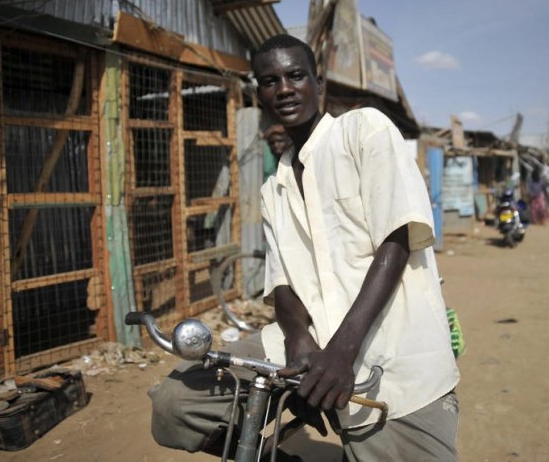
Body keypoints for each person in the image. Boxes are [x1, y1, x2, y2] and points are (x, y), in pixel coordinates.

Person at [149, 34, 460, 460]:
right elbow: (281, 284)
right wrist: (297, 337)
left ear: (319, 84)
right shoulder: (273, 187)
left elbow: (397, 238)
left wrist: (342, 352)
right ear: (260, 94)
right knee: (176, 403)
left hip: (395, 355)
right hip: (311, 347)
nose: (285, 88)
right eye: (270, 81)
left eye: (295, 75)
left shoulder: (362, 130)